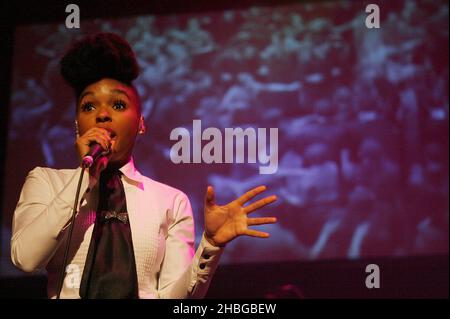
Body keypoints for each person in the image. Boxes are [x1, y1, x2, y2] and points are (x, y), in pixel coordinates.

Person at [10, 33, 277, 299]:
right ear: (78, 125)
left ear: (140, 124)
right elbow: (25, 259)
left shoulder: (171, 201)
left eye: (117, 104)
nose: (102, 114)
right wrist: (85, 176)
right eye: (89, 106)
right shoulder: (46, 182)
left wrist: (211, 245)